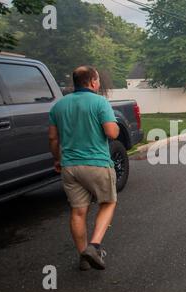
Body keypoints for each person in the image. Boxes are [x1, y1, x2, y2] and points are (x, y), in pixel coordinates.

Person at [48, 66, 120, 271]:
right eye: (97, 80)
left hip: (70, 166)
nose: (98, 83)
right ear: (92, 82)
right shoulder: (99, 102)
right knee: (108, 202)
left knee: (78, 212)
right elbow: (112, 133)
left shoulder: (58, 106)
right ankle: (94, 246)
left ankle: (83, 257)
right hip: (96, 164)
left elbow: (53, 138)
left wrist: (57, 159)